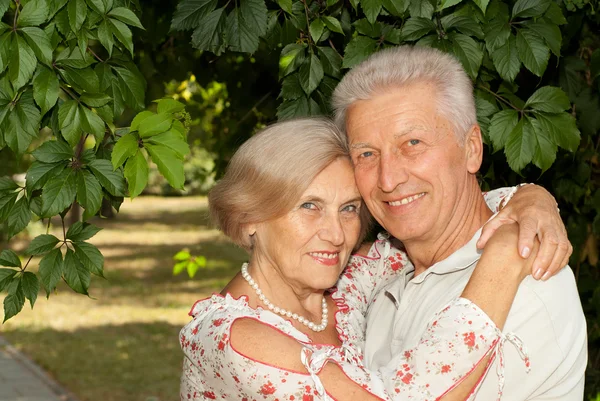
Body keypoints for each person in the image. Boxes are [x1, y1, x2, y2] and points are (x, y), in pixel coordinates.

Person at [180, 118, 569, 400]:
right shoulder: (232, 338)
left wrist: (531, 199)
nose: (336, 235)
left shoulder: (346, 285)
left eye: (348, 208)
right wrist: (503, 258)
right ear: (250, 218)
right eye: (309, 206)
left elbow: (454, 221)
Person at [332, 45, 587, 400]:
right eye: (367, 154)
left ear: (471, 149)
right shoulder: (381, 272)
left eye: (413, 143)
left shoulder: (525, 281)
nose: (387, 180)